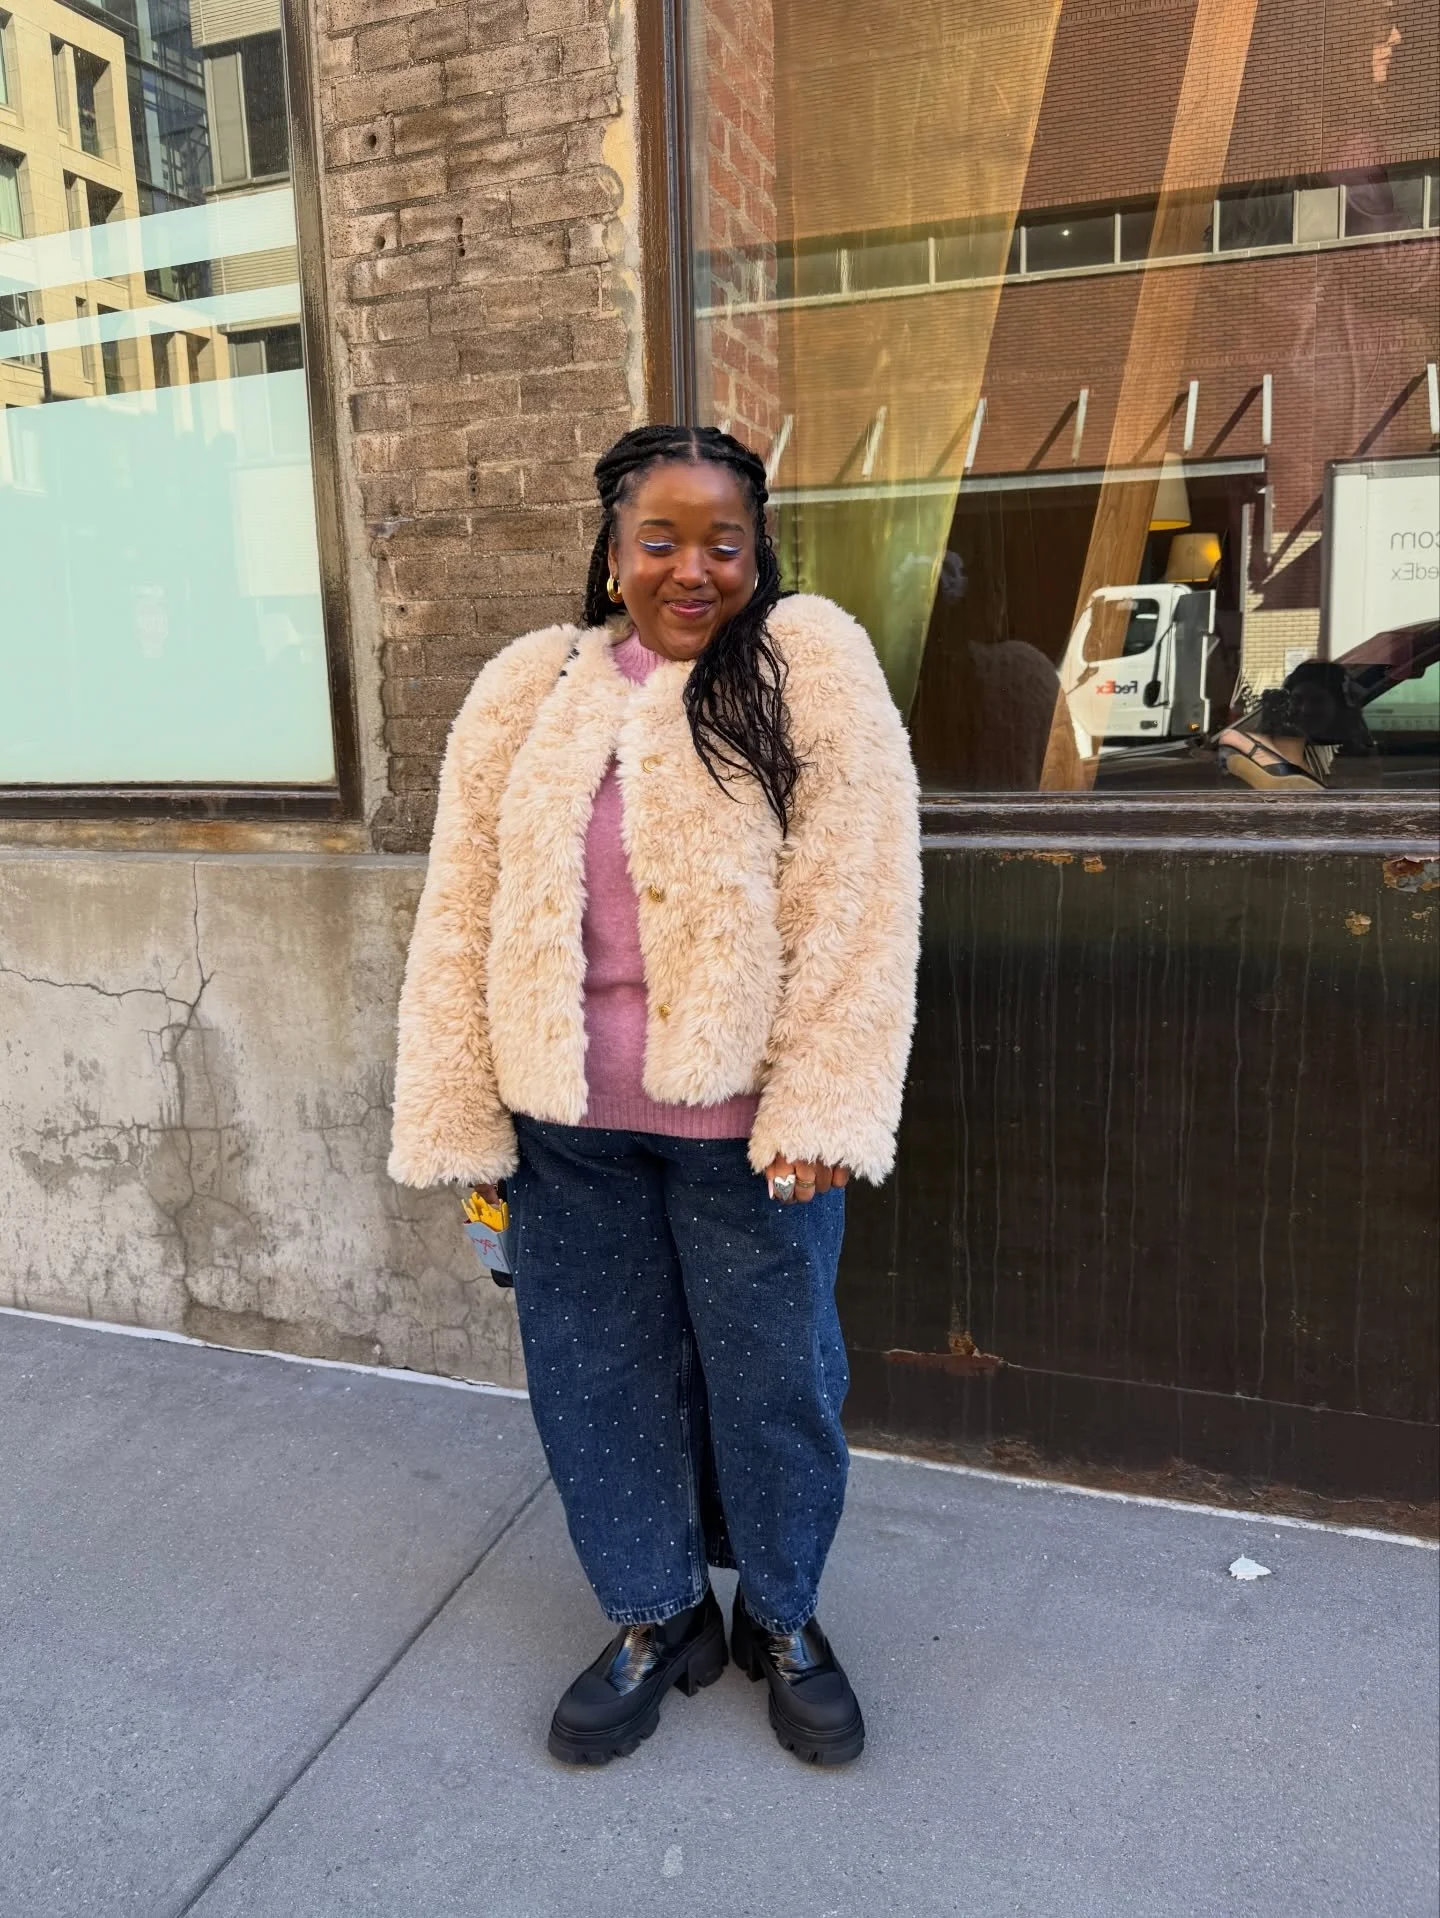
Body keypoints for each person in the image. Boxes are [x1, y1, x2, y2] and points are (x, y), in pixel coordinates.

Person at [388, 424, 922, 1767]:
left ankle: (785, 1617)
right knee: (595, 1380)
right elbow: (461, 909)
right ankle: (655, 1613)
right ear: (612, 550)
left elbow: (858, 903)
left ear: (761, 546)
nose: (694, 570)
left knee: (776, 1381)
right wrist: (466, 1117)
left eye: (722, 542)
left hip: (750, 1139)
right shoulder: (532, 688)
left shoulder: (807, 668)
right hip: (566, 1131)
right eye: (660, 541)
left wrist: (823, 1110)